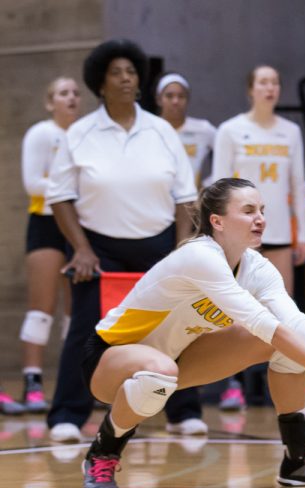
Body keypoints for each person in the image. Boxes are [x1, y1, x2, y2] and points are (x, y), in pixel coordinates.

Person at [78, 178, 305, 488]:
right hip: (109, 359)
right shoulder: (200, 257)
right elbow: (260, 322)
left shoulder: (258, 268)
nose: (260, 219)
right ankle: (102, 454)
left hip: (176, 358)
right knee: (165, 367)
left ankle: (298, 461)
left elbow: (294, 322)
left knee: (286, 345)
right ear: (217, 221)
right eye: (248, 210)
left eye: (262, 210)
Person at [45, 39, 207, 443]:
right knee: (86, 329)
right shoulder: (79, 133)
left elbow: (186, 197)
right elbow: (59, 197)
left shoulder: (162, 132)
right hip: (97, 249)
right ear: (100, 83)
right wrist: (81, 248)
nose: (124, 78)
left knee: (175, 328)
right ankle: (67, 413)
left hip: (159, 247)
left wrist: (182, 248)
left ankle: (183, 411)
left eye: (131, 72)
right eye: (115, 72)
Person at [213, 65, 305, 410]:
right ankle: (232, 385)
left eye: (275, 82)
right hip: (238, 235)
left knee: (285, 308)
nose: (270, 88)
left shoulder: (291, 131)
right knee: (233, 309)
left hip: (280, 231)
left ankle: (294, 372)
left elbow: (298, 184)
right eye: (263, 82)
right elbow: (219, 186)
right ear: (250, 89)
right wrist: (220, 232)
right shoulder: (231, 130)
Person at [10, 77, 81, 416]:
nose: (72, 98)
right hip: (46, 222)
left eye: (76, 93)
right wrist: (70, 188)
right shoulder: (41, 133)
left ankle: (72, 384)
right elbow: (32, 182)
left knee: (74, 311)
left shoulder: (85, 135)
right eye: (63, 93)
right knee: (42, 308)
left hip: (79, 226)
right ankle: (33, 382)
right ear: (50, 102)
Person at [155, 72, 217, 188]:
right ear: (159, 99)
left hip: (191, 201)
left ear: (187, 100)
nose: (175, 101)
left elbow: (229, 155)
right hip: (156, 199)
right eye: (169, 96)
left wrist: (208, 186)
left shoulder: (203, 129)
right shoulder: (149, 128)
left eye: (181, 96)